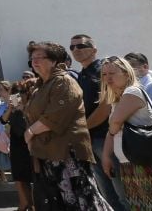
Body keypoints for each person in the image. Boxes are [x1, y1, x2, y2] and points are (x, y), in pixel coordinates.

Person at [25, 41, 113, 211]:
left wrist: (29, 132)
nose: (35, 61)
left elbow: (55, 115)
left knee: (83, 200)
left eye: (40, 57)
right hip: (48, 152)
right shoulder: (40, 86)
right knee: (62, 200)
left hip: (67, 151)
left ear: (54, 60)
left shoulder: (64, 81)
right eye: (32, 58)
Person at [99, 56, 152, 211]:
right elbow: (113, 129)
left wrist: (112, 129)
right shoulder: (118, 99)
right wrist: (106, 156)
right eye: (104, 74)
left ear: (126, 73)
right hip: (129, 163)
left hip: (144, 162)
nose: (107, 78)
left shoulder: (133, 91)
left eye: (112, 73)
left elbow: (115, 122)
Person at [71, 33, 129, 211]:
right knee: (106, 192)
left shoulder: (102, 71)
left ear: (94, 49)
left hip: (107, 138)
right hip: (90, 139)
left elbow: (105, 109)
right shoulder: (82, 74)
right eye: (72, 47)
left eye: (80, 46)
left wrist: (81, 129)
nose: (75, 50)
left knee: (122, 192)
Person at [2, 79, 36, 211]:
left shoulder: (31, 106)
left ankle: (33, 205)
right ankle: (25, 203)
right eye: (15, 92)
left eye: (21, 92)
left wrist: (23, 109)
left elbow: (30, 126)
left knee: (32, 178)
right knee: (19, 177)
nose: (18, 95)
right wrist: (11, 108)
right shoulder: (13, 109)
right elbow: (3, 121)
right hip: (16, 146)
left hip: (29, 145)